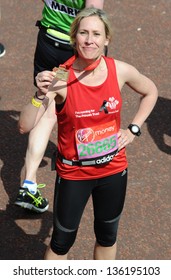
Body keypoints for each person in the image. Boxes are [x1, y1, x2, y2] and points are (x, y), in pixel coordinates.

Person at [18, 7, 158, 260]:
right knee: (61, 243)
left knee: (107, 237)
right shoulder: (60, 76)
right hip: (74, 175)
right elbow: (25, 126)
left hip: (113, 170)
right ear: (74, 38)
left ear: (107, 40)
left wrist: (133, 129)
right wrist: (39, 95)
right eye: (83, 33)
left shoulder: (120, 70)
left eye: (96, 34)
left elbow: (151, 91)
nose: (89, 40)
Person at [15, 0, 104, 213]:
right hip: (71, 51)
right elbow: (93, 16)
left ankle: (28, 184)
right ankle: (89, 161)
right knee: (59, 111)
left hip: (47, 41)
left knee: (45, 107)